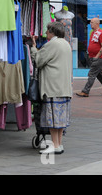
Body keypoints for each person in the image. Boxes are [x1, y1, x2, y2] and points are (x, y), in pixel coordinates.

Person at [30, 21, 72, 155]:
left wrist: (33, 47)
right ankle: (59, 144)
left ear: (52, 32)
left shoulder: (52, 44)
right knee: (60, 119)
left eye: (47, 31)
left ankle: (54, 145)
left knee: (53, 118)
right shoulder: (66, 44)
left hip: (52, 87)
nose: (46, 33)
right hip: (63, 87)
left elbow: (38, 60)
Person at [76, 18, 102, 97]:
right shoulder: (93, 32)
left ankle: (85, 91)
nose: (90, 24)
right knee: (100, 75)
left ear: (97, 23)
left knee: (91, 74)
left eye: (92, 22)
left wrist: (96, 56)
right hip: (92, 57)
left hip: (98, 58)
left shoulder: (101, 33)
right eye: (90, 22)